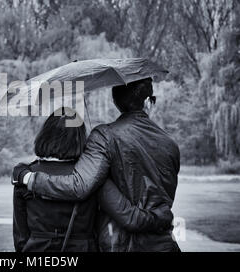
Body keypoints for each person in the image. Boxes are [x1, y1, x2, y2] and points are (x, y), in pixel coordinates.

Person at [13, 78, 181, 252]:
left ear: (115, 101)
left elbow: (79, 186)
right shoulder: (171, 145)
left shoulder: (105, 136)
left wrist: (29, 178)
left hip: (121, 244)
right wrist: (163, 216)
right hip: (163, 243)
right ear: (147, 102)